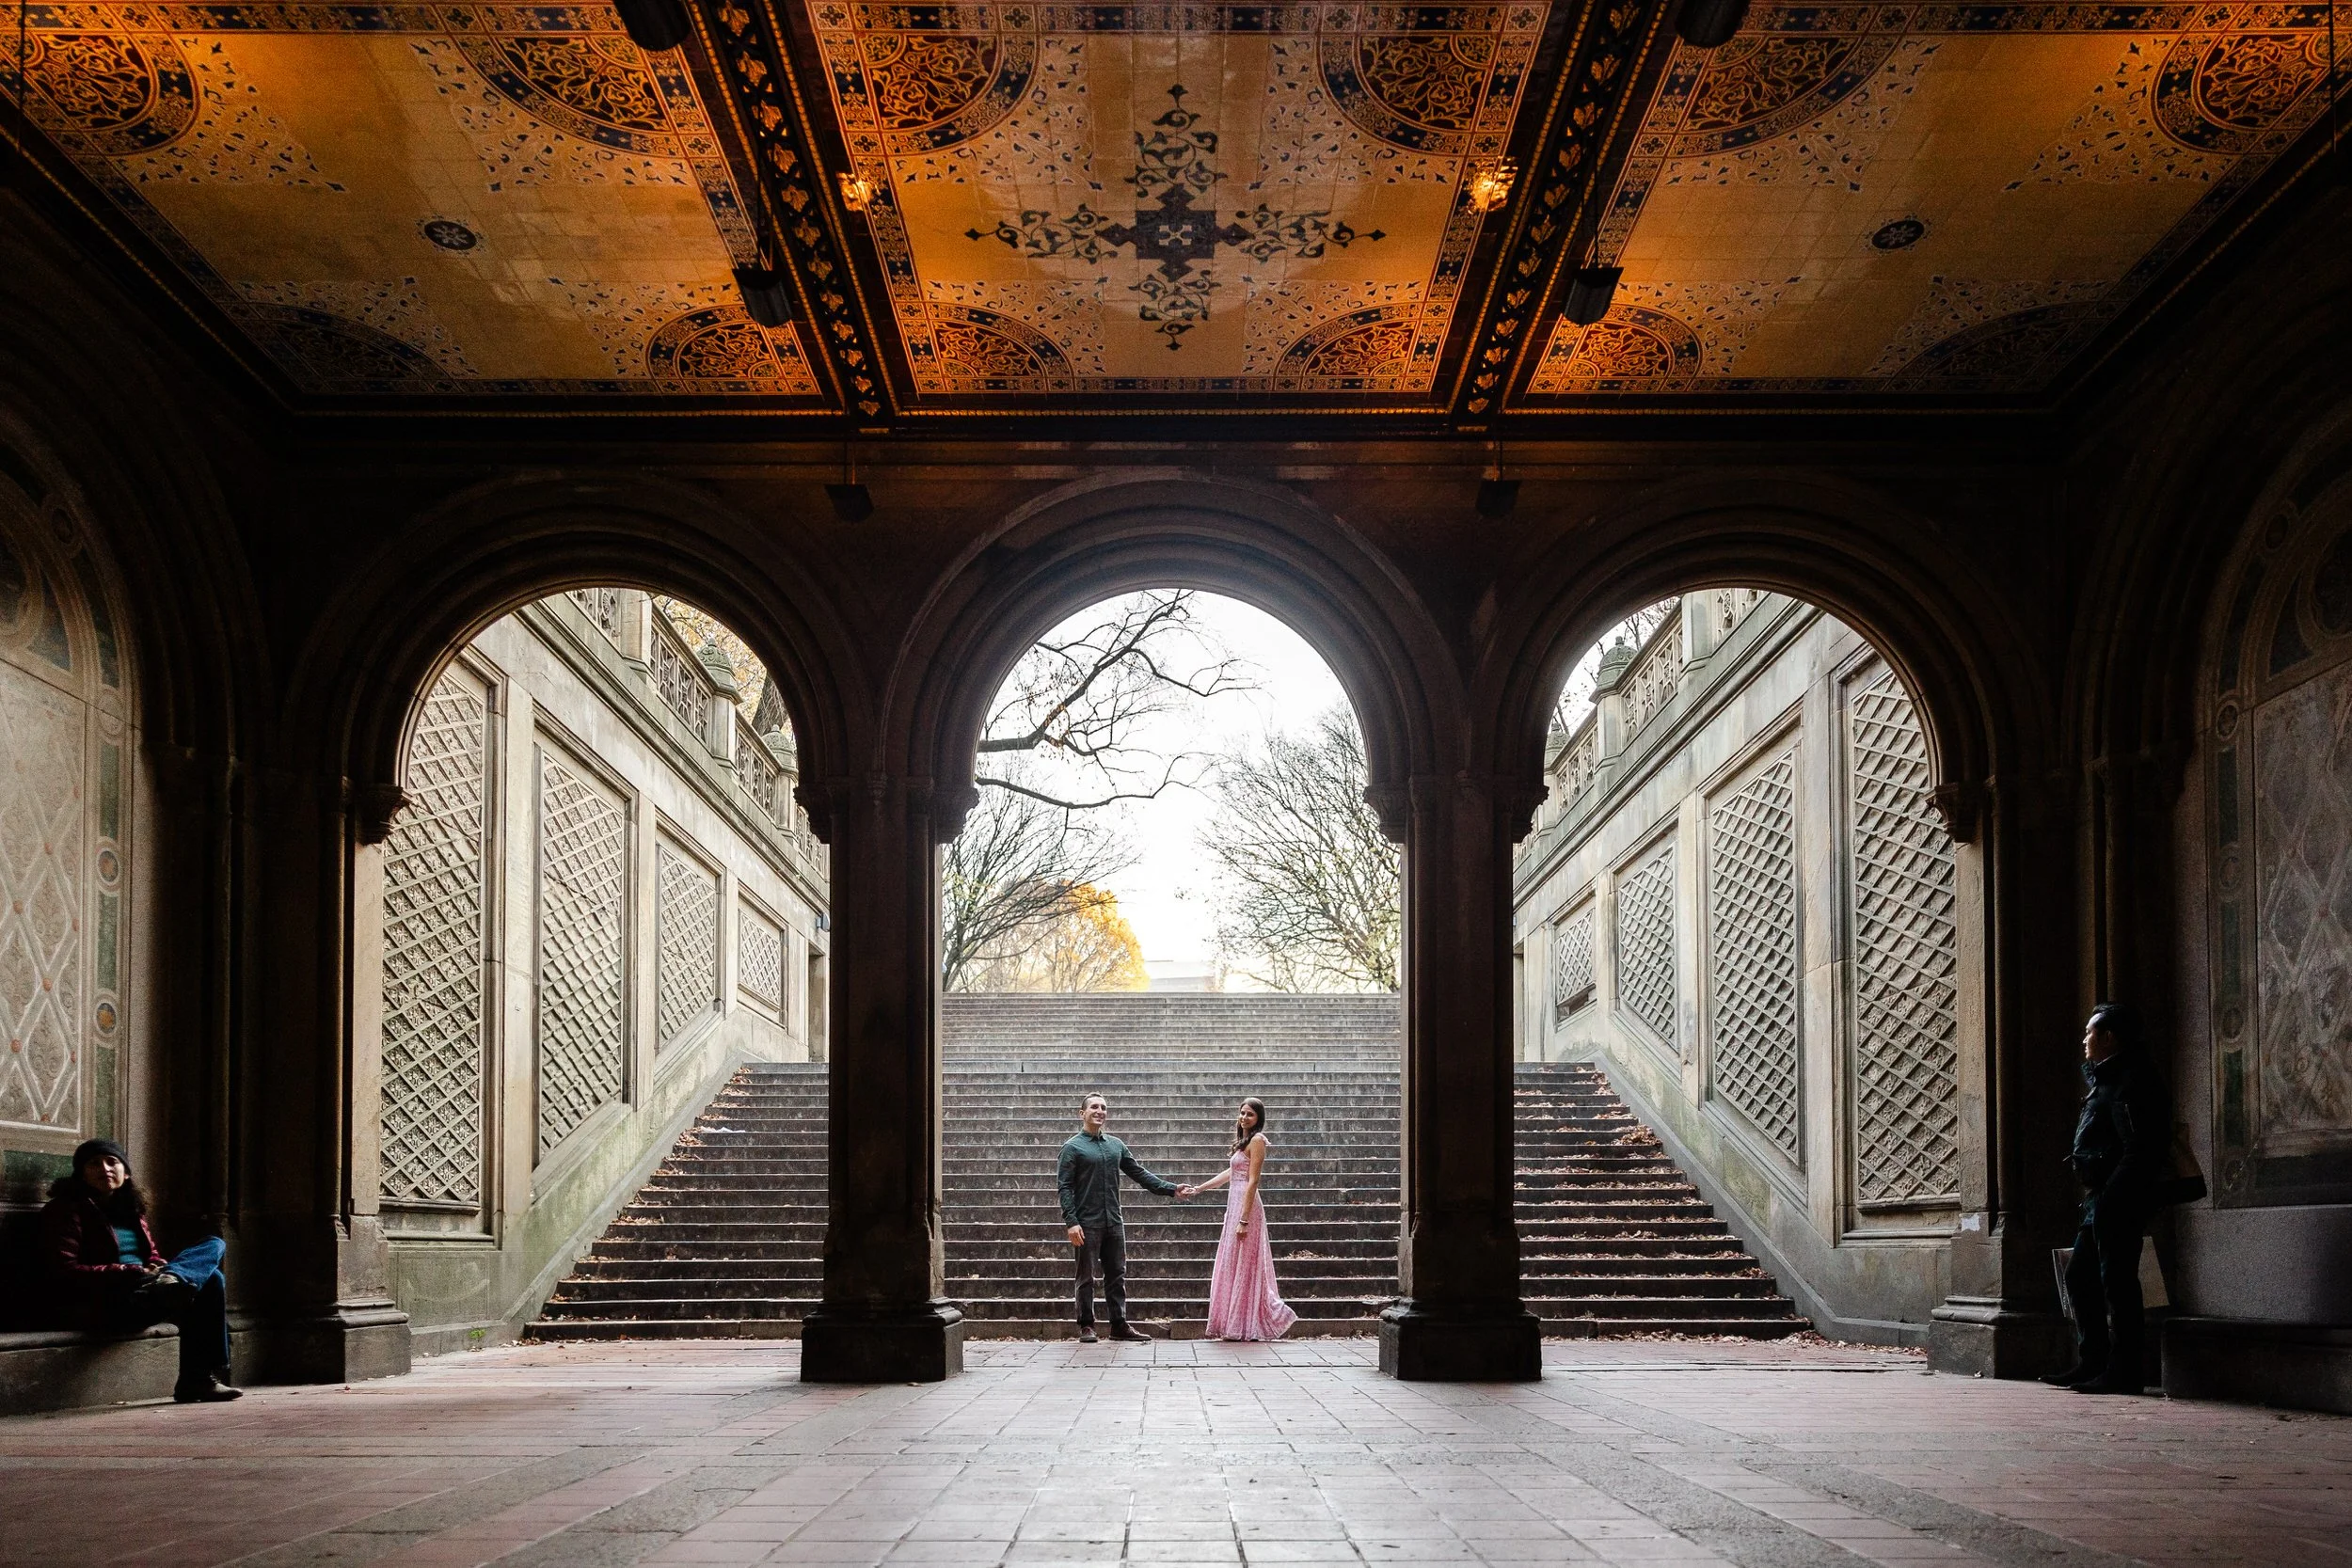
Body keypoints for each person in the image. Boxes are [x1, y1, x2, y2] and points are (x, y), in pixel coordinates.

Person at [40, 1138, 241, 1402]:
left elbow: (151, 1255)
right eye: (94, 1163)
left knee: (214, 1244)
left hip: (146, 1288)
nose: (105, 1168)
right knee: (210, 1279)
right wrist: (129, 1271)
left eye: (112, 1161)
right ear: (81, 1173)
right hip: (108, 1298)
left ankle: (173, 1279)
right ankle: (198, 1379)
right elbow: (65, 1270)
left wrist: (156, 1265)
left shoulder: (130, 1211)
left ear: (126, 1172)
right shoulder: (66, 1210)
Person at [2044, 1004, 2166, 1396]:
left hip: (2119, 1199)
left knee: (2118, 1283)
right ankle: (2093, 1362)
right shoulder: (2107, 1078)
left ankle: (2125, 1371)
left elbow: (2140, 1147)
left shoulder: (2132, 1079)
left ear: (2109, 1037)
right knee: (2081, 1275)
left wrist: (2114, 1195)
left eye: (2089, 1033)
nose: (2084, 1040)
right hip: (2101, 1199)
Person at [1057, 1093, 1183, 1344]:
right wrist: (1071, 1221)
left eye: (1103, 1107)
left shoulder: (1116, 1145)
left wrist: (1171, 1188)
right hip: (1087, 1222)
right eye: (1094, 1107)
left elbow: (1139, 1173)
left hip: (1113, 1221)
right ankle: (1086, 1325)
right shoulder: (1072, 1147)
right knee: (1086, 1276)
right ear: (1081, 1113)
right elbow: (1065, 1187)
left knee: (1117, 1273)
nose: (1099, 1111)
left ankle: (1119, 1324)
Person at [1181, 1097, 1297, 1342]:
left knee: (1245, 1262)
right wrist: (1200, 1188)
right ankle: (1235, 1322)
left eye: (1250, 1114)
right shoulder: (1244, 1142)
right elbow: (1230, 1173)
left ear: (1258, 1119)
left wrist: (1244, 1220)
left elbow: (1253, 1180)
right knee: (1233, 1261)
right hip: (1234, 1204)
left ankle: (1247, 1322)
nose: (1244, 1117)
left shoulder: (1257, 1140)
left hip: (1247, 1207)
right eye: (1242, 1113)